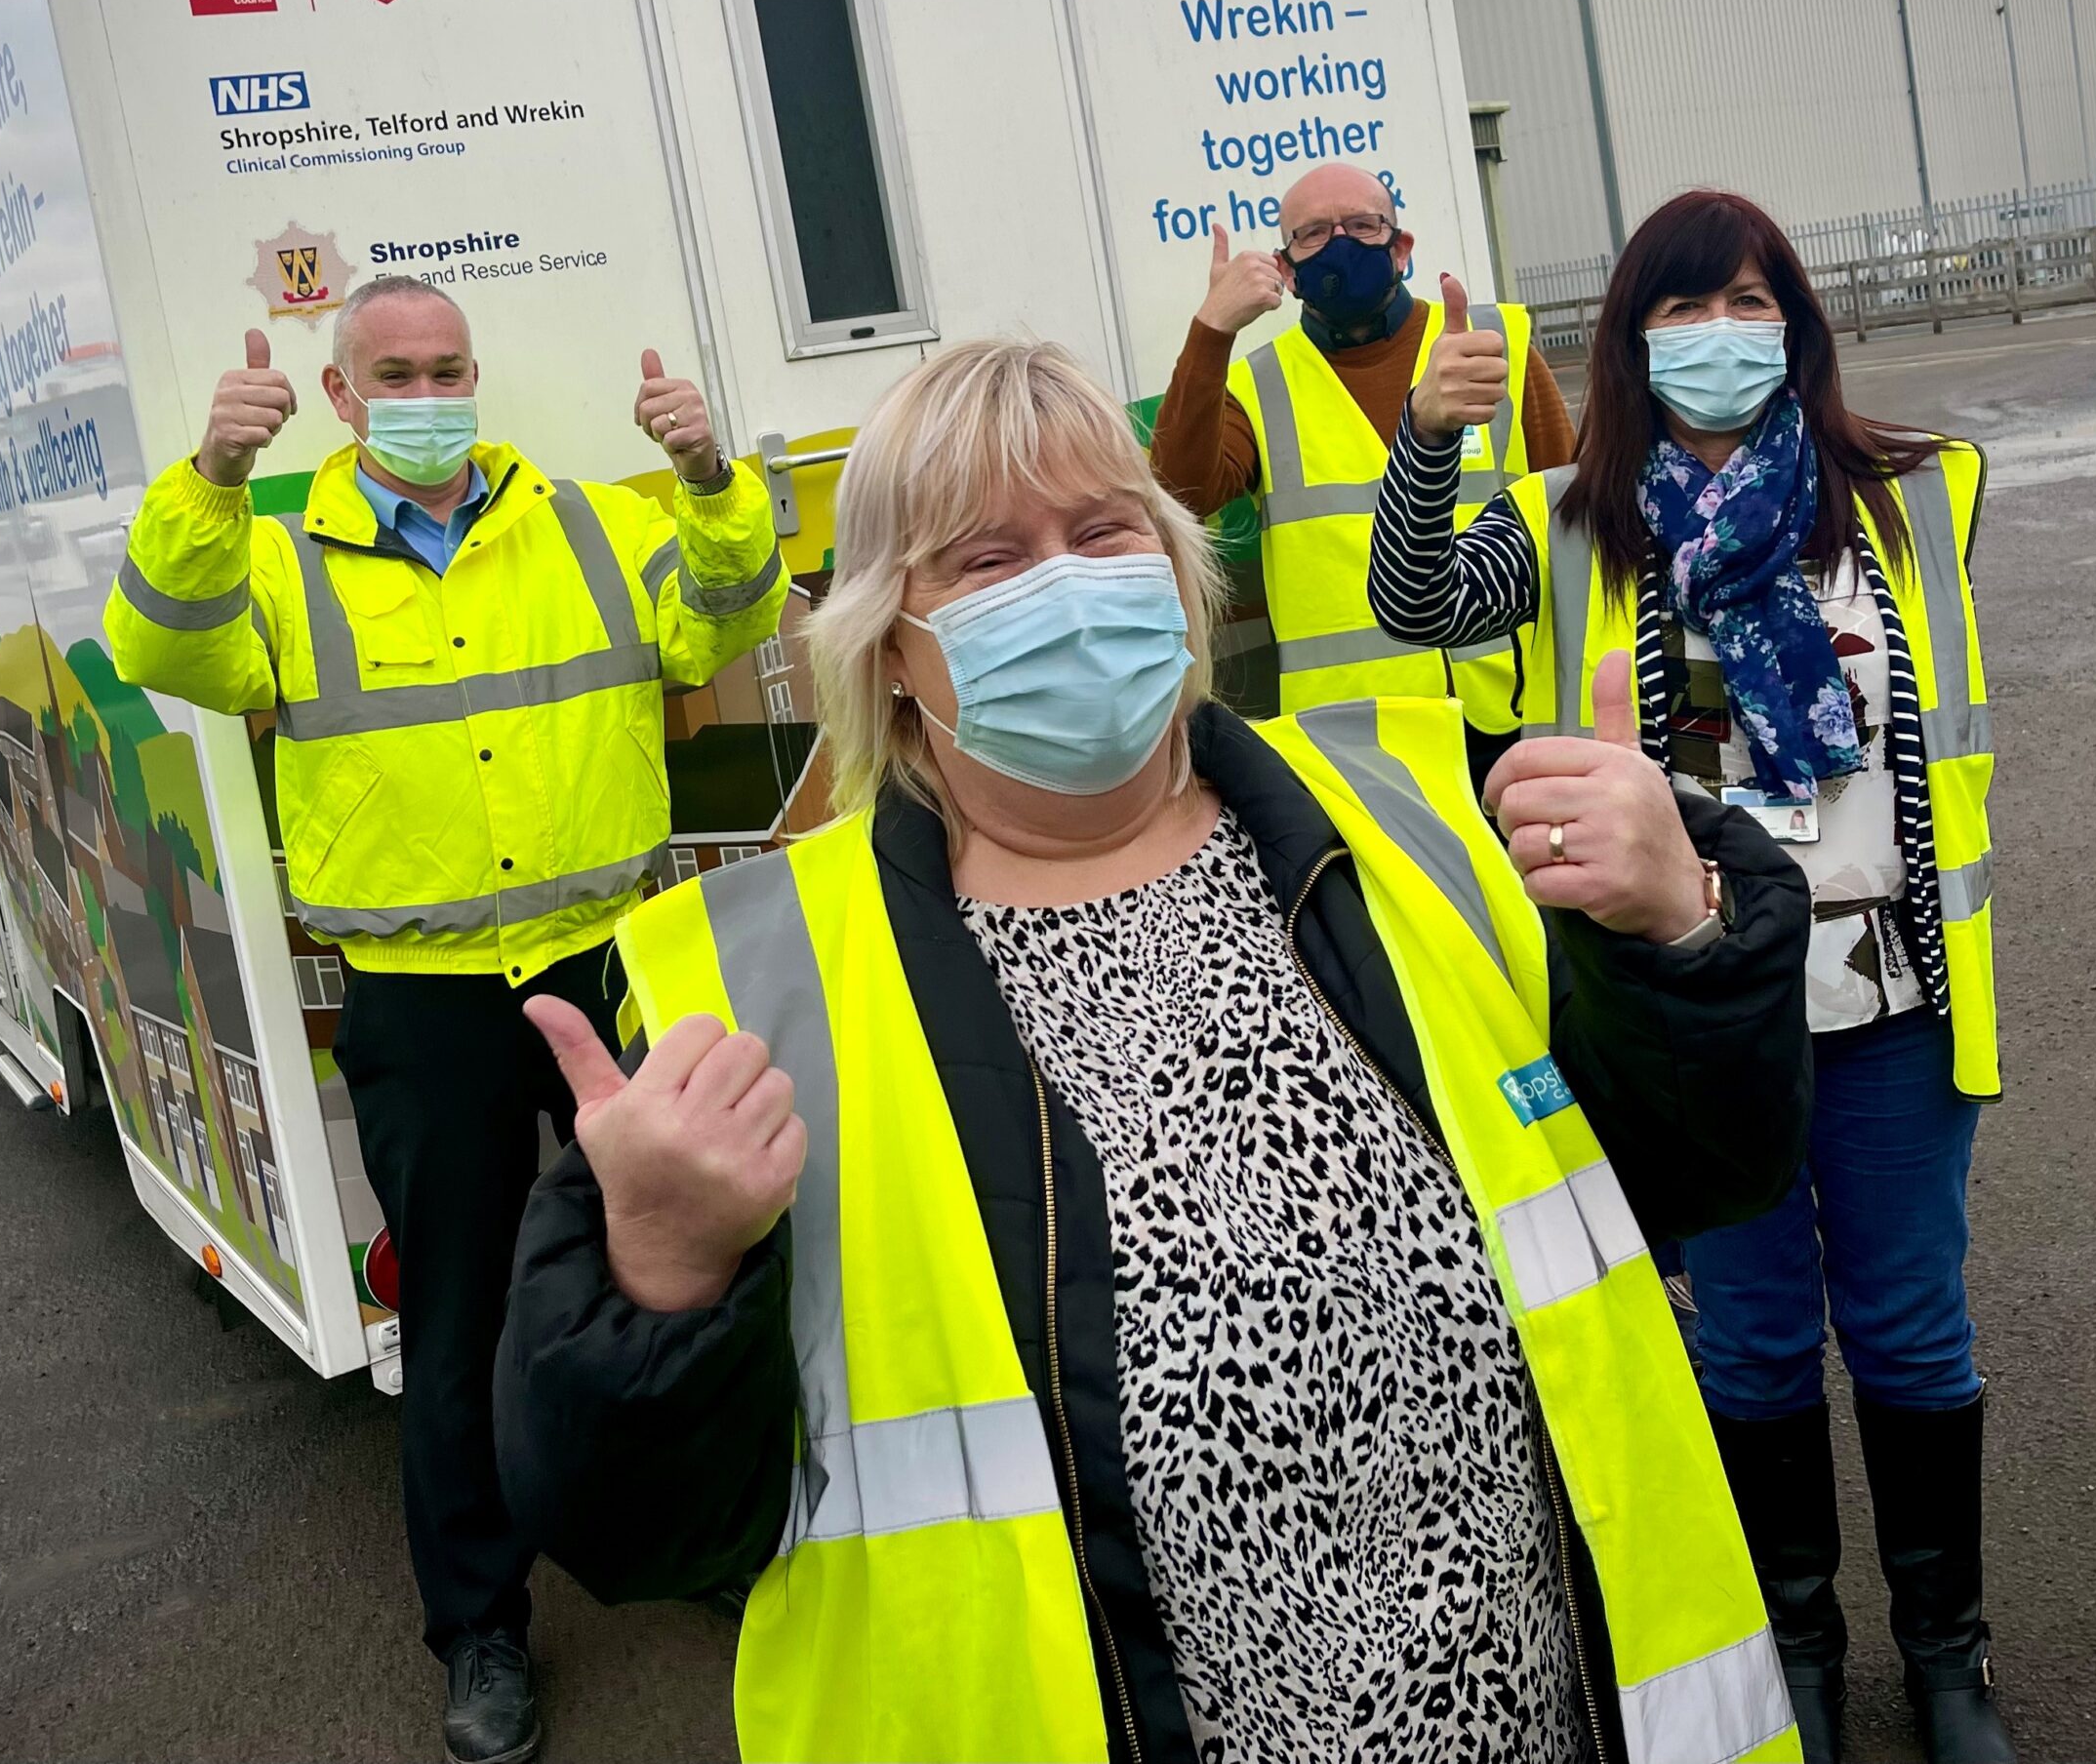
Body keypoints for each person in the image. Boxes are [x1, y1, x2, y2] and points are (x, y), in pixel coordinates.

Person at [494, 335, 1819, 1764]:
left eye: (1103, 530)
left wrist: (1681, 930)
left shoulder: (1411, 810)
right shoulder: (759, 984)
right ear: (889, 649)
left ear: (1178, 570)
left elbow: (1707, 1169)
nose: (1066, 585)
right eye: (987, 559)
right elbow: (642, 1534)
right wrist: (664, 1273)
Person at [104, 275, 786, 1764]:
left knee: (688, 1270)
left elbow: (722, 623)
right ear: (341, 398)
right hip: (422, 997)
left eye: (449, 368)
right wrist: (211, 477)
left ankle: (712, 1537)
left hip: (610, 961)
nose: (429, 395)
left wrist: (710, 479)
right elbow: (162, 647)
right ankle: (480, 1625)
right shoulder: (279, 561)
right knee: (459, 1319)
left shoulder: (591, 524)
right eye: (397, 374)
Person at [1365, 189, 2009, 1764]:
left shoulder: (1915, 495)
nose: (1719, 332)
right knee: (1752, 1339)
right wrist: (1430, 438)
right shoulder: (1574, 522)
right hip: (1699, 1015)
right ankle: (1795, 1648)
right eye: (1682, 305)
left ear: (1796, 322)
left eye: (1748, 300)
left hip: (1891, 999)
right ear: (1632, 340)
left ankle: (1950, 1659)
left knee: (1914, 1328)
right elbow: (1415, 604)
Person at [1148, 161, 1575, 769]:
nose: (1340, 244)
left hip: (1517, 714)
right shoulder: (1256, 386)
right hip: (1350, 741)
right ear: (1287, 270)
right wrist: (1212, 330)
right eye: (1313, 234)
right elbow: (1177, 496)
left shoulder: (1490, 345)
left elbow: (1573, 514)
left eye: (1363, 225)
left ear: (1401, 249)